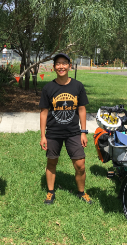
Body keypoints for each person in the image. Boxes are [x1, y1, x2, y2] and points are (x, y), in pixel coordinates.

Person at [39, 53, 93, 204]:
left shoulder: (77, 86)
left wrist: (83, 132)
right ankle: (50, 192)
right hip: (53, 133)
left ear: (69, 65)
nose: (61, 66)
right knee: (51, 162)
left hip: (73, 132)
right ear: (54, 67)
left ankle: (81, 192)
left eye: (64, 63)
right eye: (58, 63)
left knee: (80, 165)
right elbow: (43, 113)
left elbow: (81, 109)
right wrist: (43, 136)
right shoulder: (48, 88)